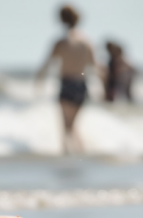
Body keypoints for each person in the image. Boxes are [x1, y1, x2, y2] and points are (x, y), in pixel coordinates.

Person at [36, 5, 101, 154]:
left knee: (66, 127)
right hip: (82, 85)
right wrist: (102, 88)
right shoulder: (86, 42)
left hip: (66, 84)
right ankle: (81, 155)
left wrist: (38, 81)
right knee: (73, 125)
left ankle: (68, 158)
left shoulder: (61, 42)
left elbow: (47, 64)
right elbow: (95, 67)